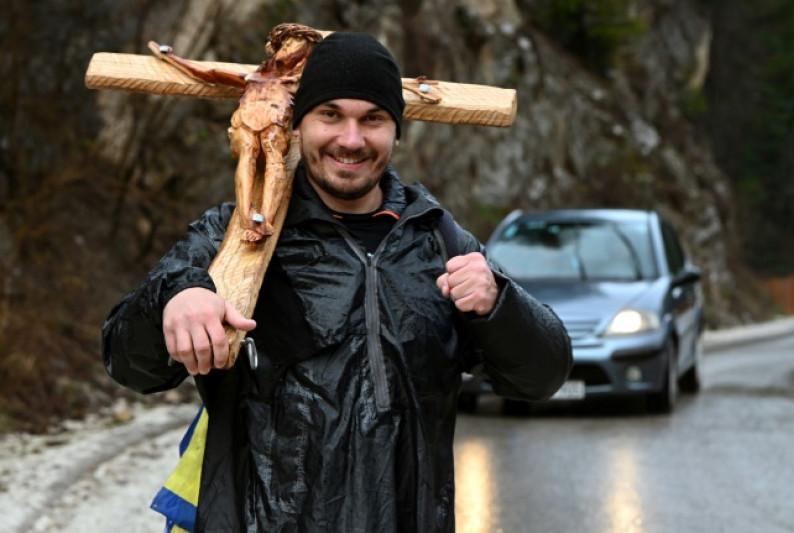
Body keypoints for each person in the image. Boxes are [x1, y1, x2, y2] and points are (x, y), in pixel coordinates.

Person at [102, 31, 572, 532]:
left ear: (397, 131)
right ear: (298, 124)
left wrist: (500, 302)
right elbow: (130, 365)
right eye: (330, 115)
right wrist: (173, 297)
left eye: (372, 119)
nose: (351, 139)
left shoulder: (439, 242)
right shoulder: (236, 236)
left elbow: (543, 376)